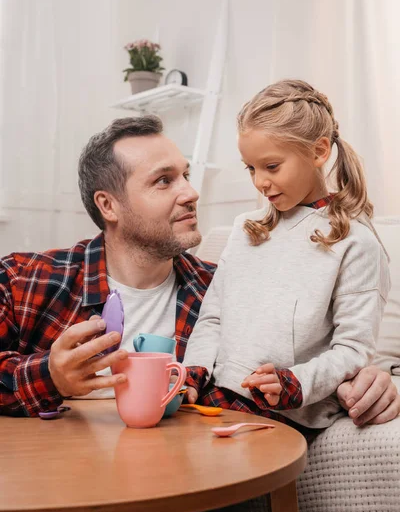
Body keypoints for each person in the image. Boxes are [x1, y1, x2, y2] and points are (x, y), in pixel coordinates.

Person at [0, 115, 398, 428]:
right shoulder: (25, 280)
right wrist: (48, 376)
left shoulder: (223, 288)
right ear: (109, 206)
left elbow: (311, 351)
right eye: (163, 181)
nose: (191, 193)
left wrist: (375, 380)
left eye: (186, 175)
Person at [183, 79, 393, 437]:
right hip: (213, 400)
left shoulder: (355, 242)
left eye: (272, 166)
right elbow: (213, 318)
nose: (260, 183)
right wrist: (193, 371)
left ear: (318, 151)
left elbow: (353, 348)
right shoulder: (245, 228)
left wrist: (295, 382)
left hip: (284, 413)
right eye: (251, 168)